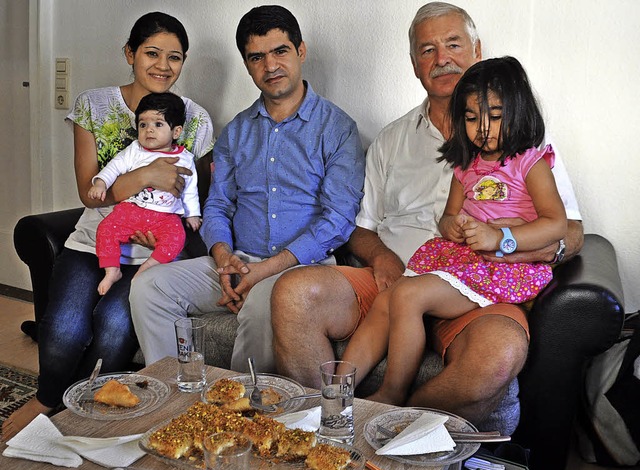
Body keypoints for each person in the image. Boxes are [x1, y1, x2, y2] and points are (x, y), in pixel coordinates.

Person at [271, 2, 583, 433]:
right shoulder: (391, 140)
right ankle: (323, 423)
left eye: (453, 44)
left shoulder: (526, 146)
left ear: (477, 50)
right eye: (427, 50)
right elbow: (362, 229)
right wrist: (381, 259)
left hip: (485, 285)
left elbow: (571, 230)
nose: (442, 59)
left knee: (498, 353)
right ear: (415, 64)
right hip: (406, 270)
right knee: (293, 292)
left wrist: (513, 244)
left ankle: (389, 428)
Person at [1, 12, 214, 441]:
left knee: (115, 328)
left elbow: (197, 195)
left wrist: (166, 221)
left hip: (154, 253)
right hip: (95, 238)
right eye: (152, 53)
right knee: (63, 328)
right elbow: (88, 191)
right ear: (130, 53)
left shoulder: (195, 118)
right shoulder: (94, 105)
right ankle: (48, 399)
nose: (162, 65)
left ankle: (85, 410)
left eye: (175, 57)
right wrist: (147, 175)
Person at [129, 5, 365, 372]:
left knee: (262, 305)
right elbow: (219, 205)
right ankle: (177, 401)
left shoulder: (337, 129)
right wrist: (224, 259)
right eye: (257, 57)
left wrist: (267, 270)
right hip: (237, 261)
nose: (270, 66)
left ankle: (243, 415)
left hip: (302, 269)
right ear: (247, 64)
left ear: (300, 52)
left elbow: (337, 219)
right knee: (150, 288)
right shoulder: (237, 131)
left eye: (280, 51)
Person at [340, 56, 567, 406]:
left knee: (407, 295)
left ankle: (393, 394)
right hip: (463, 261)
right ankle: (337, 390)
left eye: (495, 115)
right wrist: (455, 227)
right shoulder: (467, 164)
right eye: (473, 118)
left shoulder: (531, 163)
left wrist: (501, 238)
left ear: (519, 112)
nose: (484, 129)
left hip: (502, 269)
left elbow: (556, 224)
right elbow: (447, 218)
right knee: (389, 297)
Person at [89, 92, 202, 295]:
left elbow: (190, 188)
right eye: (143, 125)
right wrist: (100, 182)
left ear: (176, 131)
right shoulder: (135, 150)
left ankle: (148, 267)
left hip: (165, 217)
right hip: (131, 210)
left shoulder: (185, 158)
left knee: (177, 238)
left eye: (158, 124)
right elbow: (114, 167)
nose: (149, 130)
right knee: (106, 229)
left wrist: (193, 214)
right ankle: (112, 270)